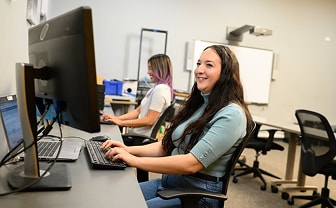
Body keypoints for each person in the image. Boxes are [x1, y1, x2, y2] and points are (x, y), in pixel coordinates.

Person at [101, 45, 253, 208]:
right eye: (198, 63)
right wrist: (126, 150)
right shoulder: (200, 103)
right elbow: (166, 146)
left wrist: (134, 161)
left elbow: (191, 163)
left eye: (209, 65)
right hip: (171, 184)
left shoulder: (232, 114)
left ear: (226, 73)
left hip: (195, 195)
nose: (199, 70)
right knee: (113, 198)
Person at [101, 54, 174, 136]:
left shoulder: (161, 90)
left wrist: (121, 122)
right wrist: (115, 118)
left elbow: (149, 120)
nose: (148, 72)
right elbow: (137, 111)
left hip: (139, 138)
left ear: (160, 69)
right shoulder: (155, 88)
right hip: (135, 135)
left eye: (151, 68)